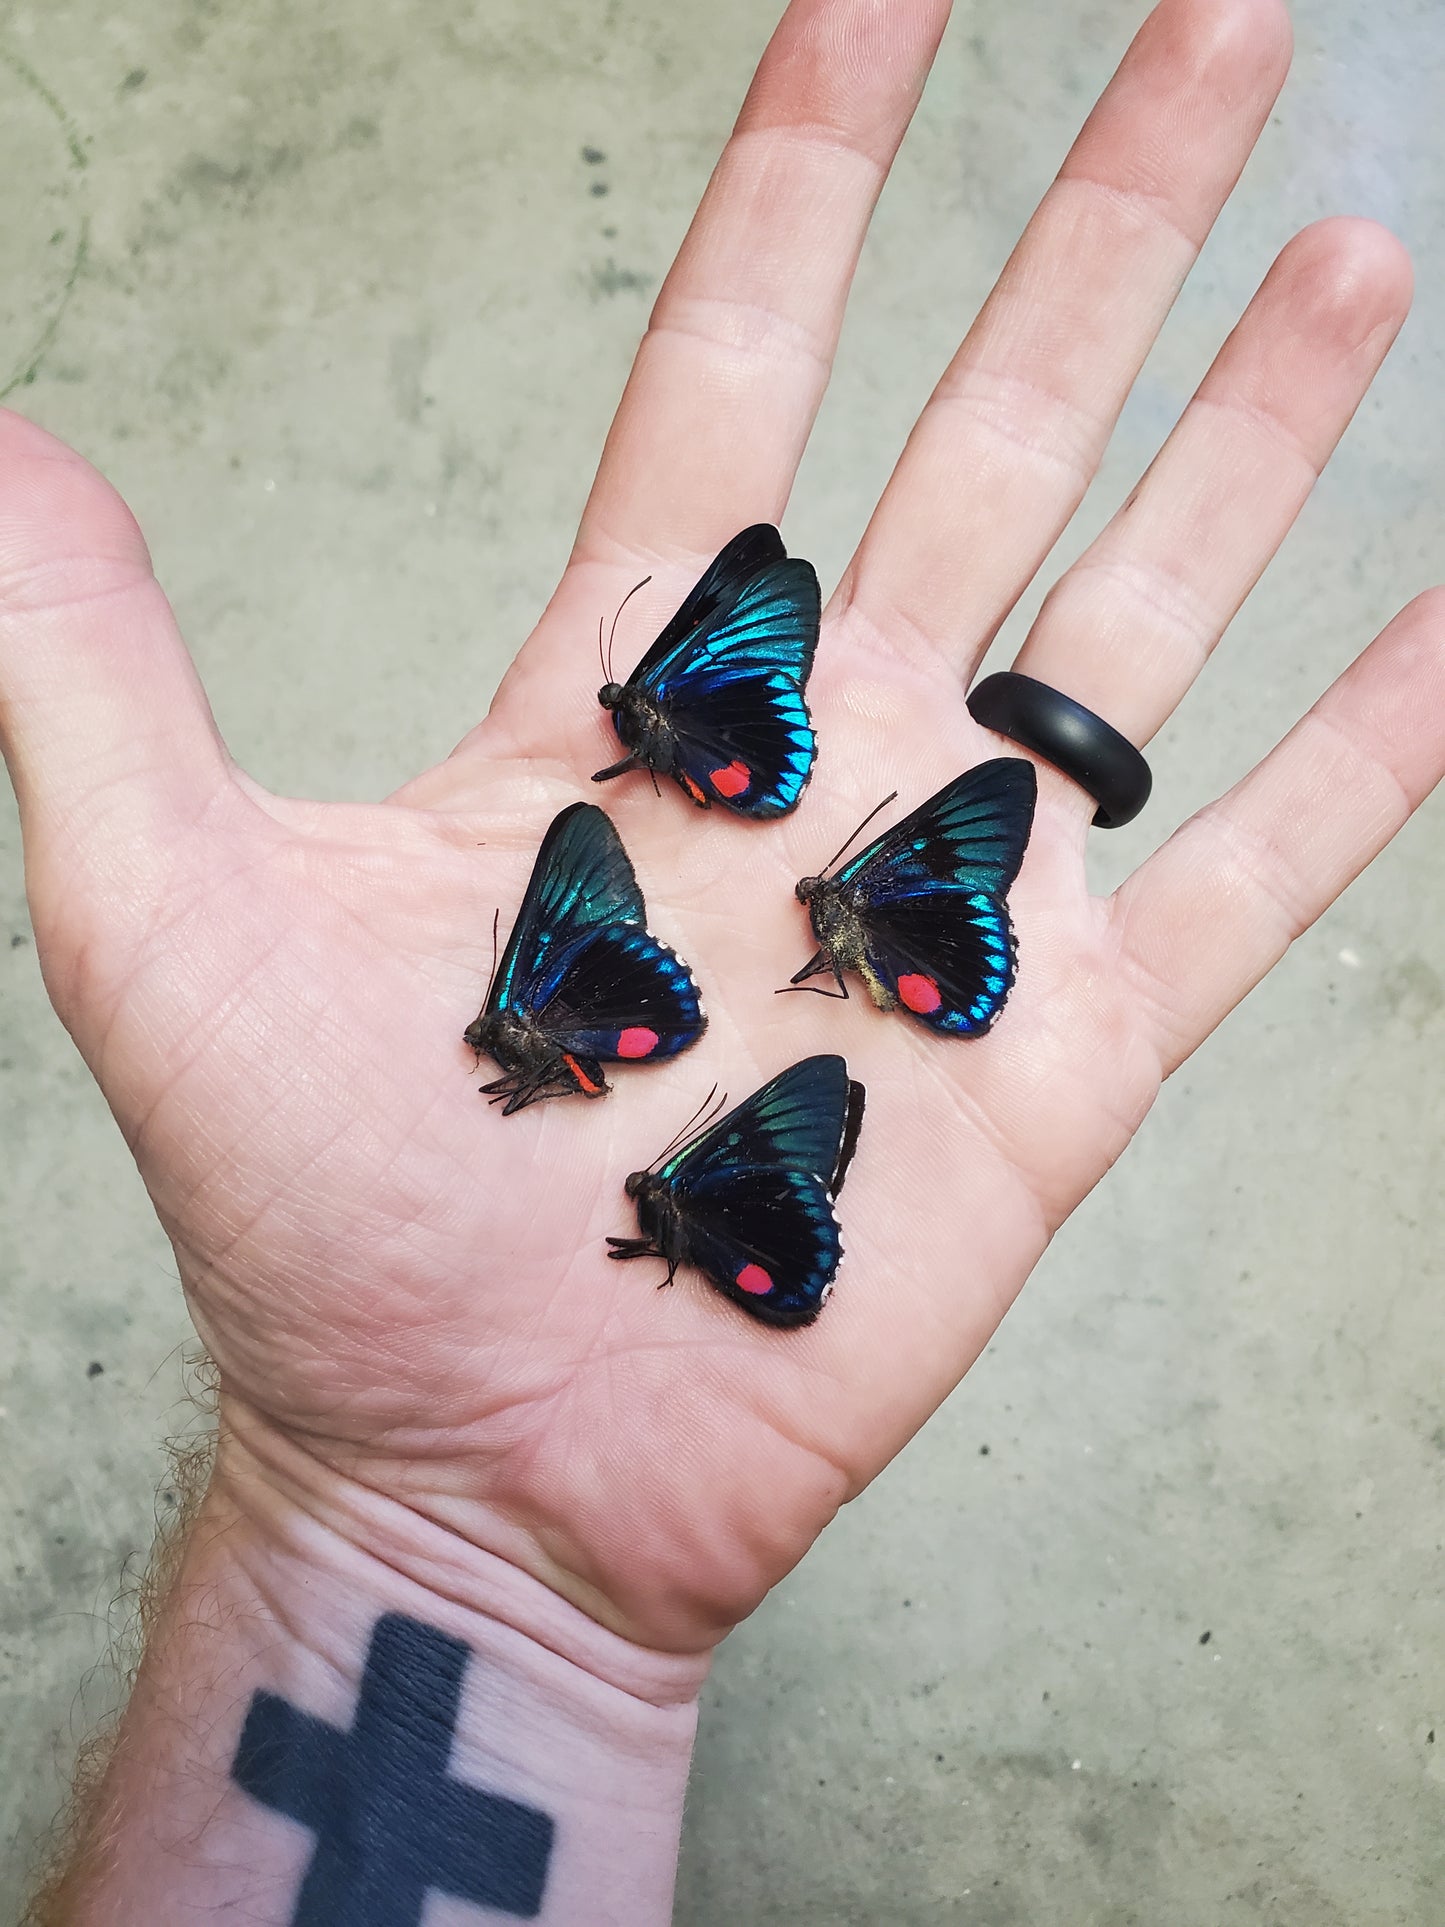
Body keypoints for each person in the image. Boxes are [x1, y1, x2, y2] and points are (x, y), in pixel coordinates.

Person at [8, 0, 1440, 1919]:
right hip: (730, 1015)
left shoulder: (681, 930)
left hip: (737, 1008)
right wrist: (411, 1529)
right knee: (754, 1040)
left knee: (753, 1029)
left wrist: (393, 1539)